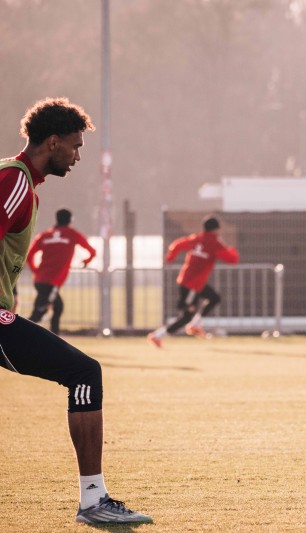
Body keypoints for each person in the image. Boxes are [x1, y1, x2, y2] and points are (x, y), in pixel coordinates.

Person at [0, 97, 151, 523]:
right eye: (76, 145)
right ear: (53, 142)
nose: (78, 156)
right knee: (84, 372)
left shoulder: (15, 179)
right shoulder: (15, 181)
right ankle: (93, 501)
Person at [147, 215, 239, 348]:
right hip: (192, 286)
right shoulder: (215, 243)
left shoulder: (196, 239)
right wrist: (232, 248)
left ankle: (195, 325)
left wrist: (170, 257)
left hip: (192, 282)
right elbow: (232, 259)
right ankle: (157, 336)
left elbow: (177, 244)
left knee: (214, 298)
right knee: (187, 316)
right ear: (216, 229)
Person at [26, 208, 97, 335]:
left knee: (56, 307)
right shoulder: (73, 234)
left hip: (40, 280)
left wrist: (35, 270)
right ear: (70, 220)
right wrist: (86, 261)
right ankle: (18, 335)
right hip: (52, 282)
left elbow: (29, 256)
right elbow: (92, 251)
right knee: (39, 313)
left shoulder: (45, 235)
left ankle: (53, 336)